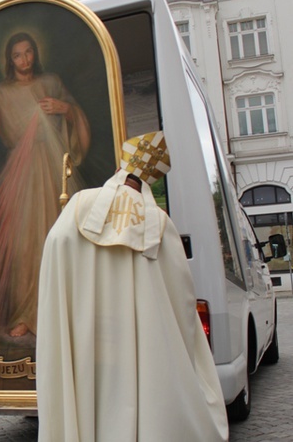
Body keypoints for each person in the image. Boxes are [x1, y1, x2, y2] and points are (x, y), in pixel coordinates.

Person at [36, 132, 228, 441]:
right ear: (147, 183)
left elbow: (57, 252)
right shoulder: (160, 224)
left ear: (118, 171)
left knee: (91, 411)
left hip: (89, 345)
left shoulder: (78, 206)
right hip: (142, 348)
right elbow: (182, 303)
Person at [0, 32, 91, 363]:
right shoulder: (2, 92)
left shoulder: (51, 81)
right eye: (17, 55)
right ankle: (23, 315)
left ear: (35, 53)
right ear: (10, 60)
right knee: (22, 245)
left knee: (57, 234)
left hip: (53, 169)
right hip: (18, 175)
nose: (24, 59)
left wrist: (66, 109)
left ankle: (62, 311)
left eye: (28, 52)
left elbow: (76, 118)